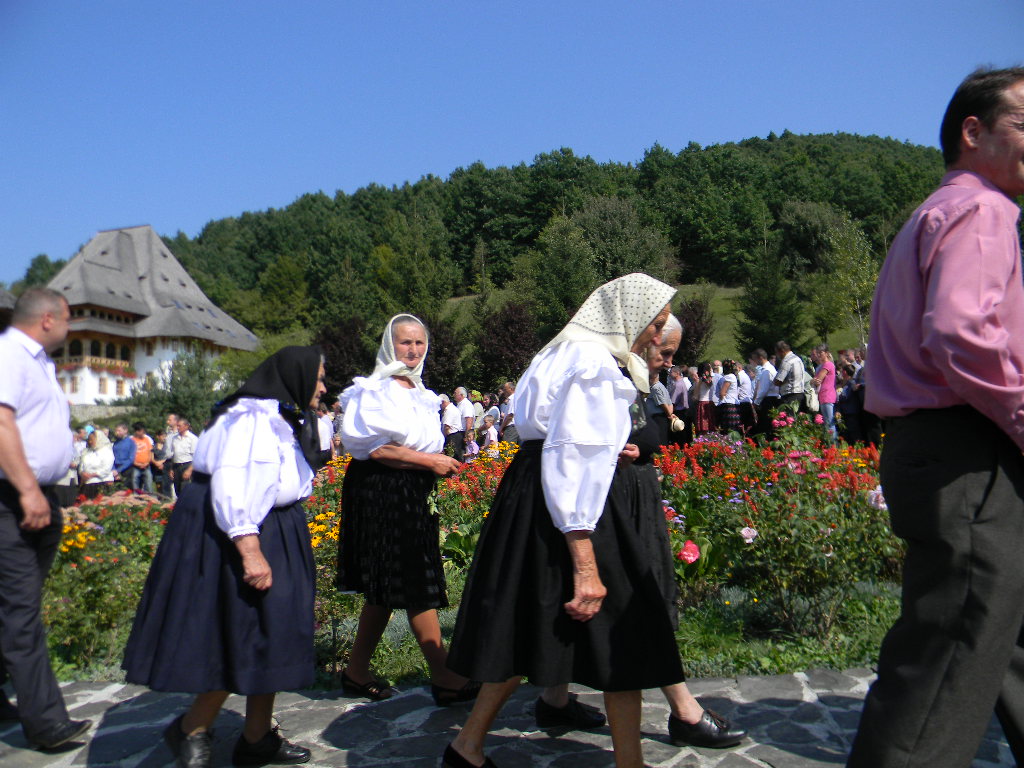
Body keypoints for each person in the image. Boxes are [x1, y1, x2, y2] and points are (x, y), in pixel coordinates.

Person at [847, 67, 1024, 768]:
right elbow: (961, 333)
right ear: (972, 131)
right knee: (949, 656)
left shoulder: (933, 213)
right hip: (968, 452)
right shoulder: (982, 211)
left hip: (940, 446)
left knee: (1001, 638)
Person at [444, 274, 687, 768]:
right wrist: (585, 562)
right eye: (655, 323)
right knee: (630, 631)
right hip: (574, 506)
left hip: (536, 495)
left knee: (529, 622)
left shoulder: (561, 351)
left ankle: (467, 745)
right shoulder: (593, 365)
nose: (657, 337)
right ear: (626, 317)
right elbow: (570, 457)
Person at [123, 346, 327, 768]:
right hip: (244, 529)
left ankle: (257, 738)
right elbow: (232, 483)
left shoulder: (277, 416)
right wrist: (250, 549)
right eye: (319, 378)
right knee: (241, 632)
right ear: (296, 377)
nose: (323, 387)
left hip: (274, 524)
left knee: (274, 631)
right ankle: (191, 727)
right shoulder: (251, 419)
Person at [336, 314, 476, 706]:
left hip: (410, 486)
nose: (412, 350)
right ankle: (445, 675)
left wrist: (430, 466)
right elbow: (376, 449)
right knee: (415, 578)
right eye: (404, 343)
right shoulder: (376, 390)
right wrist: (430, 463)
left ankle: (355, 671)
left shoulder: (420, 391)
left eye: (418, 343)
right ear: (389, 345)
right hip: (381, 487)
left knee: (385, 585)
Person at [0, 287, 92, 750]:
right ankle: (46, 722)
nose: (72, 328)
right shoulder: (9, 355)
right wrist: (27, 489)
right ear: (49, 319)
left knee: (17, 604)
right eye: (69, 320)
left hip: (40, 496)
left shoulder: (39, 362)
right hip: (13, 496)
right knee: (20, 611)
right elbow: (0, 422)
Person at [809, 345, 837, 442]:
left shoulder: (827, 365)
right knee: (827, 422)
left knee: (829, 422)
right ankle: (830, 444)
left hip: (827, 395)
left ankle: (833, 445)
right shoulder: (821, 366)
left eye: (821, 352)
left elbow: (817, 380)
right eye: (818, 352)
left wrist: (814, 380)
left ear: (826, 353)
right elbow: (814, 381)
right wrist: (813, 381)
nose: (819, 354)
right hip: (823, 395)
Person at [78, 430, 115, 499]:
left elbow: (106, 468)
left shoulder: (106, 451)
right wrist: (82, 473)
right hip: (87, 482)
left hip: (102, 482)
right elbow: (81, 466)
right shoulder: (86, 452)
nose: (90, 442)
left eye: (92, 440)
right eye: (89, 440)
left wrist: (92, 475)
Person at [167, 418, 198, 498]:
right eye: (177, 426)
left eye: (179, 426)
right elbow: (173, 454)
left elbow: (196, 457)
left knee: (185, 489)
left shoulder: (192, 438)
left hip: (187, 465)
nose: (177, 428)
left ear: (186, 426)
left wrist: (189, 470)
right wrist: (171, 469)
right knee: (177, 490)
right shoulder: (174, 438)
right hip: (176, 466)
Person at [773, 341, 805, 412]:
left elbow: (778, 381)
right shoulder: (798, 359)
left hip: (790, 395)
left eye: (777, 352)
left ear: (781, 351)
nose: (777, 355)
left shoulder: (786, 361)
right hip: (800, 393)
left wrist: (776, 381)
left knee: (788, 419)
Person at [129, 422, 155, 494]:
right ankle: (136, 497)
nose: (143, 433)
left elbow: (150, 452)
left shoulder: (147, 439)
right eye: (141, 431)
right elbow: (130, 454)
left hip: (146, 465)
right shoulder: (131, 440)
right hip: (135, 466)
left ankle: (149, 496)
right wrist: (136, 463)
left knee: (149, 482)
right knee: (135, 482)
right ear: (137, 431)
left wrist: (147, 462)